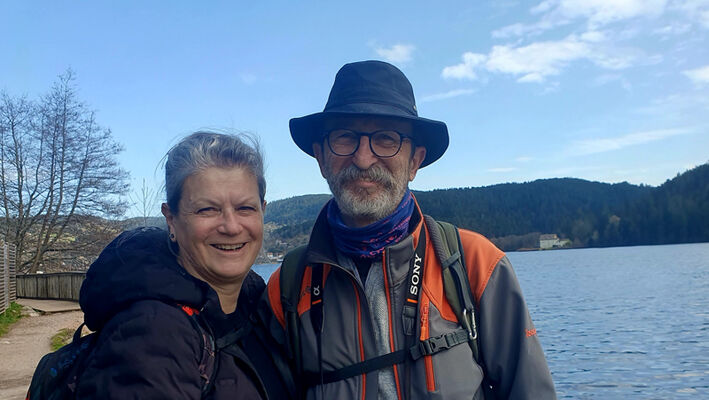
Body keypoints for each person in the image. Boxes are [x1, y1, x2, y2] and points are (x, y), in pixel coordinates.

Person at [262, 61, 557, 399]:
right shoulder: (286, 287)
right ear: (321, 158)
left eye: (385, 139)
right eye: (344, 138)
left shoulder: (475, 265)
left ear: (415, 161)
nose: (362, 158)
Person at [76, 132, 293, 399]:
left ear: (263, 210)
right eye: (207, 210)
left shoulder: (258, 310)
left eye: (245, 208)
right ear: (171, 220)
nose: (231, 226)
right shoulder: (153, 333)